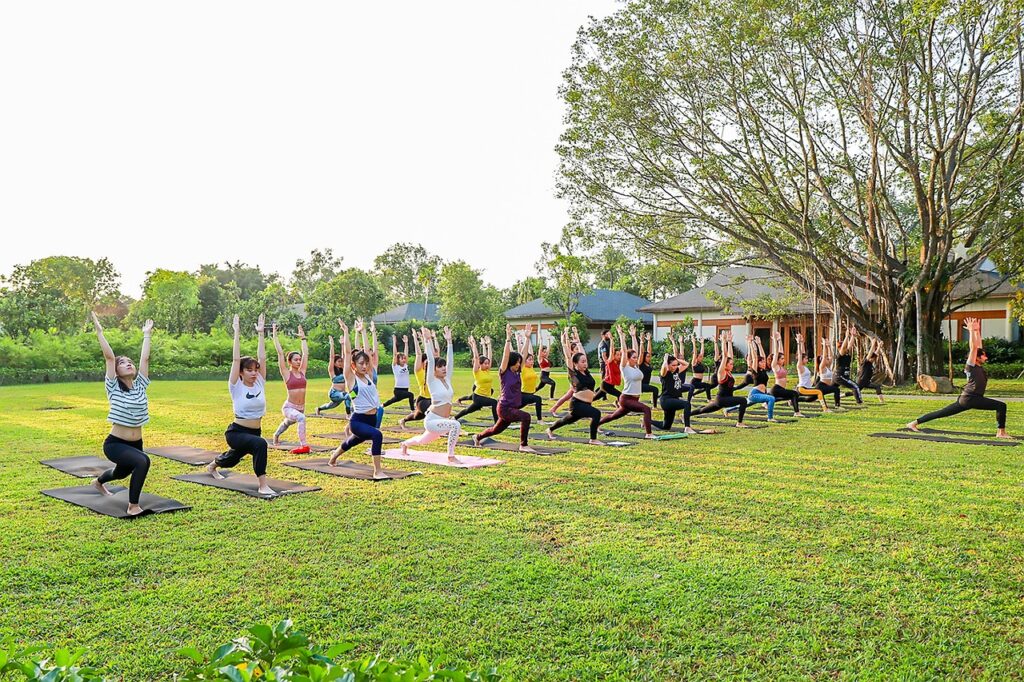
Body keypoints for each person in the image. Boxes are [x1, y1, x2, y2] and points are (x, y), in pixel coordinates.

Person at [89, 313, 154, 516]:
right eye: (123, 362)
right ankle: (133, 506)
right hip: (115, 443)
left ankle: (98, 482)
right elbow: (109, 357)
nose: (128, 363)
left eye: (130, 362)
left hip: (136, 443)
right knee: (143, 461)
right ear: (115, 371)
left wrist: (147, 335)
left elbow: (145, 358)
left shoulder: (141, 386)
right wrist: (99, 332)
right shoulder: (113, 387)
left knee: (121, 472)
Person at [206, 314, 276, 495]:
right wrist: (236, 331)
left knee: (233, 458)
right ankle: (262, 485)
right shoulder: (235, 386)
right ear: (241, 372)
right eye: (249, 370)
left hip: (254, 431)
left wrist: (261, 334)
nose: (253, 373)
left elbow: (262, 357)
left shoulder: (260, 381)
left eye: (255, 370)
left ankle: (212, 466)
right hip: (236, 432)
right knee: (260, 445)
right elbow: (236, 360)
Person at [908, 317, 1010, 438]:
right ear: (977, 358)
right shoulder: (971, 366)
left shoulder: (978, 365)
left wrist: (977, 331)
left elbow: (977, 347)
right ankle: (1001, 432)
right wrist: (971, 332)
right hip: (971, 398)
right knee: (1001, 406)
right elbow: (974, 348)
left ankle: (913, 423)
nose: (986, 357)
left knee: (942, 413)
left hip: (969, 398)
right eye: (984, 356)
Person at [328, 320, 391, 478]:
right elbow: (348, 354)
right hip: (358, 421)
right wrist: (346, 332)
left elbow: (369, 352)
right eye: (361, 364)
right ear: (353, 366)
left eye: (366, 364)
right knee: (377, 435)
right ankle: (377, 471)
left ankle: (333, 457)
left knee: (351, 442)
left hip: (371, 418)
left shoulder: (369, 376)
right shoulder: (351, 378)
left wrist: (363, 332)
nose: (364, 366)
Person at [399, 327, 462, 461]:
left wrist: (450, 342)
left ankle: (405, 444)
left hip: (442, 421)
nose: (444, 368)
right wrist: (427, 341)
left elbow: (451, 362)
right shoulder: (431, 381)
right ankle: (451, 456)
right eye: (440, 366)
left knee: (423, 440)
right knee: (455, 425)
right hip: (432, 420)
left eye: (444, 366)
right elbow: (431, 360)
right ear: (433, 370)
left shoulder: (447, 379)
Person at [472, 325, 538, 453]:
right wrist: (508, 339)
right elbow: (505, 356)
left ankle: (478, 437)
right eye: (518, 362)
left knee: (496, 430)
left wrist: (527, 338)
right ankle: (523, 445)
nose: (520, 364)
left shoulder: (517, 372)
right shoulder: (504, 372)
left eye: (520, 362)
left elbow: (524, 355)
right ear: (512, 362)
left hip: (512, 407)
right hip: (505, 407)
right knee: (526, 417)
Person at [598, 325, 661, 438]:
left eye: (636, 357)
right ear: (628, 358)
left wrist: (633, 336)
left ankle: (596, 424)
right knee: (646, 409)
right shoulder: (624, 367)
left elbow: (635, 350)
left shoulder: (636, 367)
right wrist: (621, 337)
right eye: (633, 358)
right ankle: (649, 434)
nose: (636, 359)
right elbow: (623, 350)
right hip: (626, 398)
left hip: (634, 398)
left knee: (614, 416)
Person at [547, 327, 605, 444]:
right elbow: (568, 357)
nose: (585, 363)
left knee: (567, 420)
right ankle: (593, 439)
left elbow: (582, 353)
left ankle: (550, 429)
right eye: (582, 362)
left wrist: (577, 340)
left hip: (586, 404)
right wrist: (564, 342)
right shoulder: (574, 374)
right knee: (596, 413)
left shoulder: (586, 372)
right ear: (575, 364)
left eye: (585, 361)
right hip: (577, 404)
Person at [692, 329, 751, 427]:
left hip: (725, 399)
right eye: (731, 364)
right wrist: (723, 342)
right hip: (723, 399)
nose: (733, 365)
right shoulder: (721, 372)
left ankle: (685, 415)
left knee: (703, 410)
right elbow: (725, 356)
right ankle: (739, 423)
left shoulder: (729, 372)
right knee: (743, 400)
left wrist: (729, 342)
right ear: (725, 365)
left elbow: (730, 356)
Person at [271, 324, 310, 454]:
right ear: (290, 362)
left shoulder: (303, 372)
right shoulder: (286, 373)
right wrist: (275, 335)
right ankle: (303, 446)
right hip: (289, 407)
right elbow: (280, 353)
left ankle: (276, 435)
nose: (299, 362)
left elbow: (306, 353)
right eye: (296, 360)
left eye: (299, 360)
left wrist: (303, 339)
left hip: (301, 407)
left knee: (287, 423)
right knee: (301, 419)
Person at [729, 336, 778, 422]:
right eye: (761, 362)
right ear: (757, 363)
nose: (764, 363)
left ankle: (727, 410)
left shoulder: (764, 370)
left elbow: (763, 355)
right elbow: (755, 357)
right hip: (754, 394)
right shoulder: (755, 371)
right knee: (771, 398)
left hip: (761, 393)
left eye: (764, 362)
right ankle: (770, 418)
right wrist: (751, 343)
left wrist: (759, 344)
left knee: (746, 404)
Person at [453, 335, 499, 423]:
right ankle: (497, 422)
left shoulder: (487, 371)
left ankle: (454, 418)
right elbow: (476, 358)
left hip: (483, 396)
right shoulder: (477, 372)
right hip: (478, 396)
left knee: (468, 410)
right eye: (485, 363)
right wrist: (474, 344)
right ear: (480, 364)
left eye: (488, 363)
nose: (487, 365)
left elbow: (490, 356)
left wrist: (489, 345)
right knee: (494, 402)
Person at [399, 329, 434, 430]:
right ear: (422, 363)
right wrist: (415, 338)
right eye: (426, 362)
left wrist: (427, 339)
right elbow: (419, 354)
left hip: (432, 399)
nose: (428, 364)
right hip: (423, 400)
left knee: (417, 416)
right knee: (436, 410)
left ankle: (403, 420)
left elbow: (431, 353)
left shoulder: (432, 371)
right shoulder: (419, 371)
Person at [769, 330, 809, 417]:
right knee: (794, 393)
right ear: (777, 359)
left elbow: (780, 351)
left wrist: (780, 340)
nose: (783, 360)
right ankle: (797, 412)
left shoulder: (781, 367)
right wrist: (775, 341)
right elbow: (776, 353)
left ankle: (769, 402)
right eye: (782, 358)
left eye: (783, 358)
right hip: (777, 389)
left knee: (793, 395)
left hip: (781, 389)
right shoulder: (775, 366)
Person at [659, 350, 697, 434]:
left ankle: (646, 421)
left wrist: (676, 359)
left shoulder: (676, 371)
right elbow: (664, 368)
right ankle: (687, 427)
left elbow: (686, 364)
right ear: (668, 365)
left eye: (676, 365)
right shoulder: (665, 373)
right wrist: (665, 360)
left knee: (666, 426)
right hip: (666, 400)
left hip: (673, 400)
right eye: (673, 365)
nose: (675, 367)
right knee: (687, 404)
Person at [516, 324, 546, 424]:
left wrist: (529, 339)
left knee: (516, 408)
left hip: (530, 393)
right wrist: (525, 339)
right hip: (523, 393)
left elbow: (531, 353)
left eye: (532, 360)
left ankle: (506, 411)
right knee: (538, 399)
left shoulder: (531, 368)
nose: (532, 361)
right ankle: (539, 420)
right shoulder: (523, 368)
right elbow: (523, 354)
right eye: (530, 360)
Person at [316, 336, 352, 416]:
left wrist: (343, 344)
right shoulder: (332, 371)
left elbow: (345, 356)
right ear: (334, 363)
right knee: (347, 396)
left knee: (331, 405)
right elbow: (331, 357)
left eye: (341, 361)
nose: (340, 363)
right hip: (334, 393)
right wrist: (332, 345)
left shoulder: (344, 370)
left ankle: (319, 408)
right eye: (338, 361)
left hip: (341, 393)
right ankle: (349, 414)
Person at [795, 332, 830, 411]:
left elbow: (802, 353)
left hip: (807, 388)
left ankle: (793, 400)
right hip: (802, 388)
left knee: (812, 398)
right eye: (806, 359)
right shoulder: (799, 366)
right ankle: (825, 409)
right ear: (801, 360)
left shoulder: (804, 367)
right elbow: (800, 355)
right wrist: (798, 343)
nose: (807, 360)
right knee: (819, 392)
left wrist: (802, 342)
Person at [381, 335, 415, 410]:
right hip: (398, 390)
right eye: (402, 358)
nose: (404, 359)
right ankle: (413, 410)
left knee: (394, 400)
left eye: (404, 358)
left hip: (405, 389)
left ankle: (382, 405)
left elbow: (406, 353)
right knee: (411, 395)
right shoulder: (396, 367)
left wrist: (406, 343)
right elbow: (395, 354)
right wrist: (394, 342)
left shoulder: (405, 365)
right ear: (398, 360)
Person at [835, 326, 864, 404]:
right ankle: (860, 402)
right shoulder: (840, 355)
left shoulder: (847, 353)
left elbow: (849, 346)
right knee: (855, 386)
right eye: (843, 347)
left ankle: (815, 396)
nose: (845, 348)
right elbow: (844, 347)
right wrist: (847, 336)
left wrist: (853, 336)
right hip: (840, 377)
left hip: (842, 377)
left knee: (831, 389)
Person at [592, 332, 623, 402]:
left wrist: (622, 337)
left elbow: (623, 351)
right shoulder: (610, 362)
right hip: (606, 385)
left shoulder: (618, 363)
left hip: (609, 386)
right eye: (617, 355)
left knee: (593, 399)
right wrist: (611, 339)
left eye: (619, 355)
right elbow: (611, 352)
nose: (619, 356)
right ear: (613, 356)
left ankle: (583, 403)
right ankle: (620, 408)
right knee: (620, 395)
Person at [815, 337, 843, 408]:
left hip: (826, 386)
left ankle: (837, 405)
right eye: (825, 358)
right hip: (821, 386)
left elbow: (831, 357)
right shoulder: (822, 367)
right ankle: (837, 406)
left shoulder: (828, 366)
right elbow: (824, 357)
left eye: (827, 358)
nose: (827, 358)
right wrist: (824, 345)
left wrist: (829, 346)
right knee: (808, 399)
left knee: (836, 389)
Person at [857, 337, 885, 403]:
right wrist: (873, 344)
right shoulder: (865, 363)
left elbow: (875, 354)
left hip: (867, 382)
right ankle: (841, 396)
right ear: (869, 358)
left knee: (877, 386)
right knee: (854, 392)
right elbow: (870, 354)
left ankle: (882, 401)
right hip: (861, 381)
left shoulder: (870, 363)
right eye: (872, 359)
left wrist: (879, 346)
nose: (873, 360)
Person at [688, 336, 714, 402]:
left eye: (701, 357)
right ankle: (709, 399)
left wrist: (702, 343)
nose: (701, 357)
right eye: (699, 357)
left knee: (706, 386)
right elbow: (695, 353)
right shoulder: (694, 363)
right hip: (694, 382)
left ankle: (693, 395)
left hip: (699, 381)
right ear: (696, 357)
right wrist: (694, 342)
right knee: (707, 385)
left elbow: (702, 353)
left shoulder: (700, 363)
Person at [638, 332, 660, 407]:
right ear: (644, 357)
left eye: (649, 357)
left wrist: (649, 341)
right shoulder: (640, 363)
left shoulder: (648, 364)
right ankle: (654, 406)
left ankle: (654, 406)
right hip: (640, 385)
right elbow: (641, 353)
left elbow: (649, 351)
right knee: (655, 389)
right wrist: (642, 342)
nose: (649, 358)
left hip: (645, 385)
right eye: (647, 357)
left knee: (655, 390)